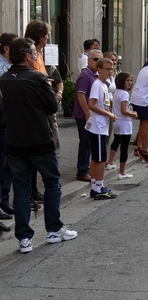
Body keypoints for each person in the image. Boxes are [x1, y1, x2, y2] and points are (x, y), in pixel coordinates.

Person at [0, 37, 77, 253]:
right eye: (35, 53)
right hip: (39, 140)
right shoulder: (37, 78)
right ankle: (54, 229)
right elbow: (52, 106)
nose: (37, 57)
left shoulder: (4, 78)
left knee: (22, 189)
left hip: (15, 141)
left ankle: (24, 238)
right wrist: (52, 90)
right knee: (52, 182)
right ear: (27, 56)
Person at [24, 19, 53, 210]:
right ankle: (29, 194)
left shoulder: (40, 54)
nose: (49, 37)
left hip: (42, 108)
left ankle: (33, 191)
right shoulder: (31, 53)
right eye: (47, 34)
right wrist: (46, 83)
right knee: (29, 158)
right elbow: (36, 78)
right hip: (33, 112)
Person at [85, 58, 118, 200]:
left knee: (98, 158)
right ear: (99, 69)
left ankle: (96, 186)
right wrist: (108, 114)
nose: (110, 71)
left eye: (112, 69)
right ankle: (98, 187)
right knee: (99, 159)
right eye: (107, 69)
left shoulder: (104, 85)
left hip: (102, 125)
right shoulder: (97, 85)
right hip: (98, 126)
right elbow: (91, 104)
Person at [74, 49, 103, 182]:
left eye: (99, 60)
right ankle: (82, 170)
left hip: (92, 115)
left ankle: (87, 167)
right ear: (89, 60)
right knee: (85, 142)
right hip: (84, 115)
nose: (98, 62)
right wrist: (87, 113)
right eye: (95, 59)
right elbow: (81, 95)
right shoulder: (86, 75)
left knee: (89, 143)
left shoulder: (95, 75)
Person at [105, 72, 138, 179]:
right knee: (124, 147)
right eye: (127, 80)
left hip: (117, 122)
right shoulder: (124, 94)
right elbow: (124, 110)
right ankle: (122, 172)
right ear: (121, 81)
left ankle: (110, 162)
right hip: (124, 123)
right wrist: (133, 114)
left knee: (116, 141)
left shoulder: (116, 92)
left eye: (131, 80)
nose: (129, 83)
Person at [0, 33, 17, 229]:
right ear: (6, 48)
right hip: (2, 120)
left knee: (7, 165)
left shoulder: (9, 66)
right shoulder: (2, 66)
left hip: (8, 121)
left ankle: (4, 201)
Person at [103, 51, 118, 147]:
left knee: (109, 130)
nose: (114, 62)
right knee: (105, 132)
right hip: (105, 105)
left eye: (116, 60)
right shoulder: (103, 76)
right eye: (112, 60)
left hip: (112, 105)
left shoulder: (114, 76)